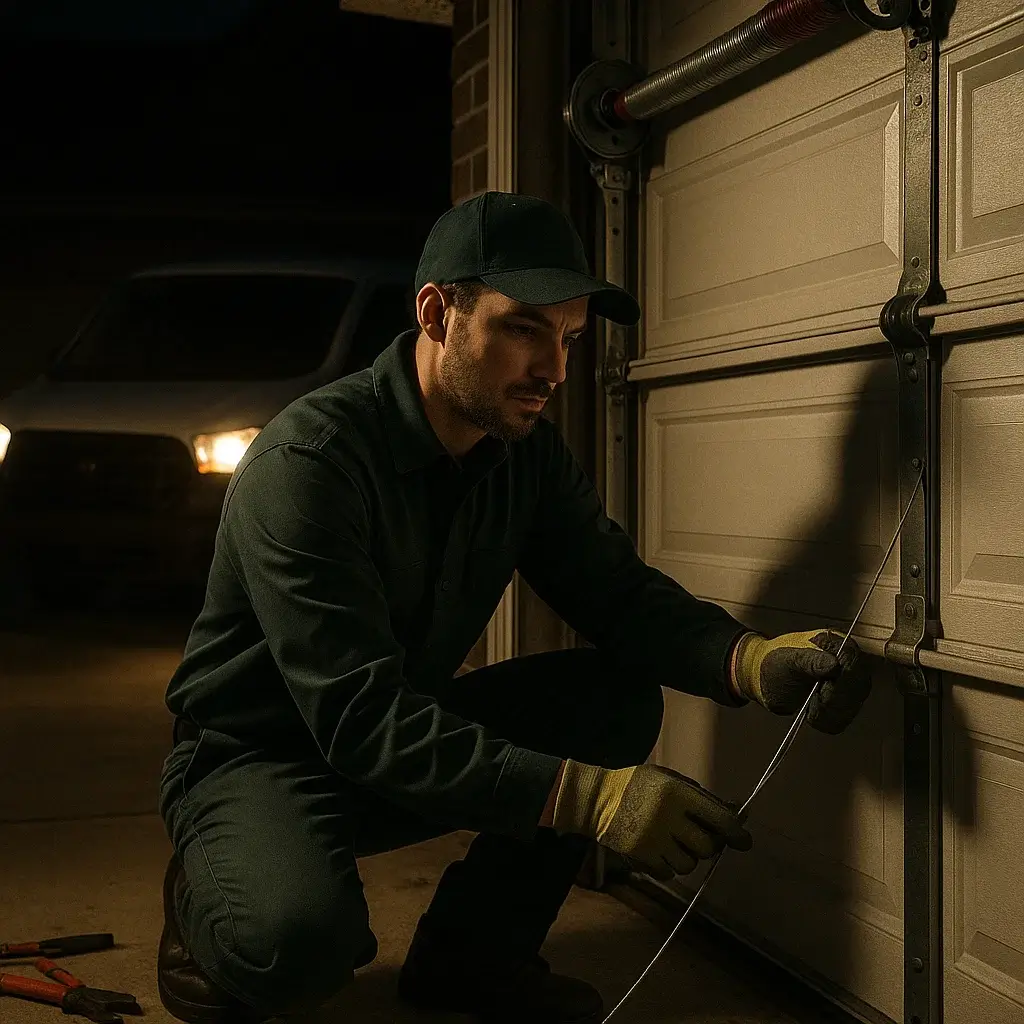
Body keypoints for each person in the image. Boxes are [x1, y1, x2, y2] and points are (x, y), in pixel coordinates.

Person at [156, 191, 871, 1024]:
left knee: (610, 700)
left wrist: (746, 659)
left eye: (567, 337)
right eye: (525, 328)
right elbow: (357, 715)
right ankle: (209, 889)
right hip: (258, 757)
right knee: (298, 944)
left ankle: (470, 965)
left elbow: (617, 594)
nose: (556, 370)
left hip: (389, 737)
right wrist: (592, 800)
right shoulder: (309, 464)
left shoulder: (518, 452)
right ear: (437, 312)